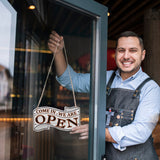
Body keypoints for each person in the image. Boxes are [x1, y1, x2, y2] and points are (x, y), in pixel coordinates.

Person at [48, 31, 160, 160]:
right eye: (121, 50)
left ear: (143, 55)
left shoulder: (151, 88)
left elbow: (140, 131)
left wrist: (98, 132)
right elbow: (71, 81)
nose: (126, 56)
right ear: (116, 53)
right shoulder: (105, 78)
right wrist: (58, 53)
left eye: (133, 50)